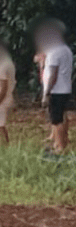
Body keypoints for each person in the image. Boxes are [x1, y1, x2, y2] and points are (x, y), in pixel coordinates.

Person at [37, 19, 73, 154]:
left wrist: (46, 93)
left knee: (56, 120)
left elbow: (53, 75)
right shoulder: (66, 50)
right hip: (65, 88)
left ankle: (59, 147)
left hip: (56, 90)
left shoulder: (54, 52)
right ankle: (63, 142)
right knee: (62, 117)